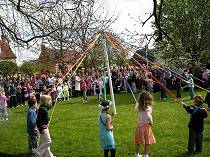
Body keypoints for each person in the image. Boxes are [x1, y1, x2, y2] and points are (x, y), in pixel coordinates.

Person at [134, 91, 156, 157]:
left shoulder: (138, 107)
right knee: (147, 142)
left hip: (139, 127)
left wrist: (137, 103)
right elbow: (148, 115)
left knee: (137, 142)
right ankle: (145, 154)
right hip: (146, 127)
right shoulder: (148, 108)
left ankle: (136, 154)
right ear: (149, 99)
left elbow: (136, 108)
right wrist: (151, 121)